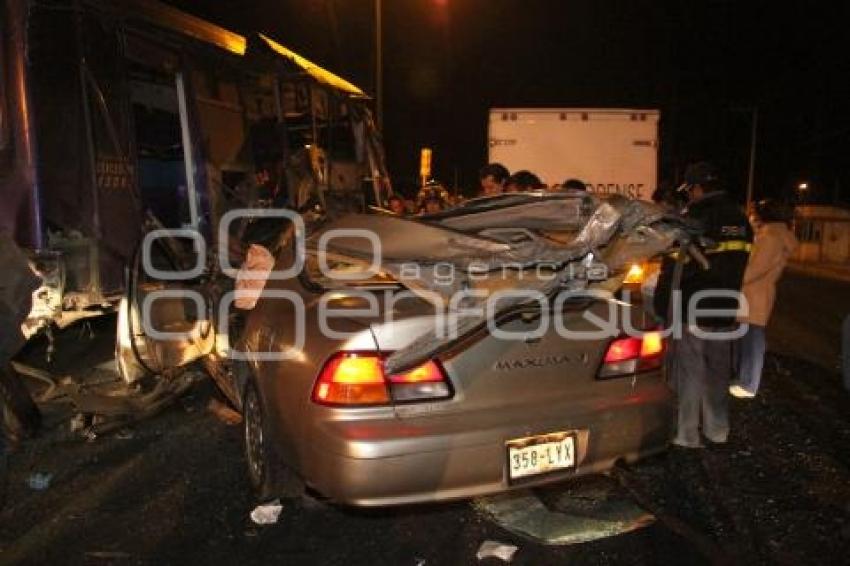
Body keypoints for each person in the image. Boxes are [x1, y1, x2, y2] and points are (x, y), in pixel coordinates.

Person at [654, 161, 752, 448]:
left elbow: (674, 267)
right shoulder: (741, 219)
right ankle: (717, 429)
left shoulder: (692, 217)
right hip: (725, 307)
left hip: (692, 306)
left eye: (691, 190)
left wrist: (663, 303)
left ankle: (687, 434)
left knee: (690, 370)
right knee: (718, 371)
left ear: (696, 188)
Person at [730, 199, 797, 398]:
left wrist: (732, 279)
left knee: (752, 338)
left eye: (756, 211)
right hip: (756, 291)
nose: (753, 214)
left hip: (755, 292)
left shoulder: (771, 237)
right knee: (749, 336)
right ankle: (745, 379)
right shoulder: (772, 234)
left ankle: (748, 384)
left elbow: (756, 268)